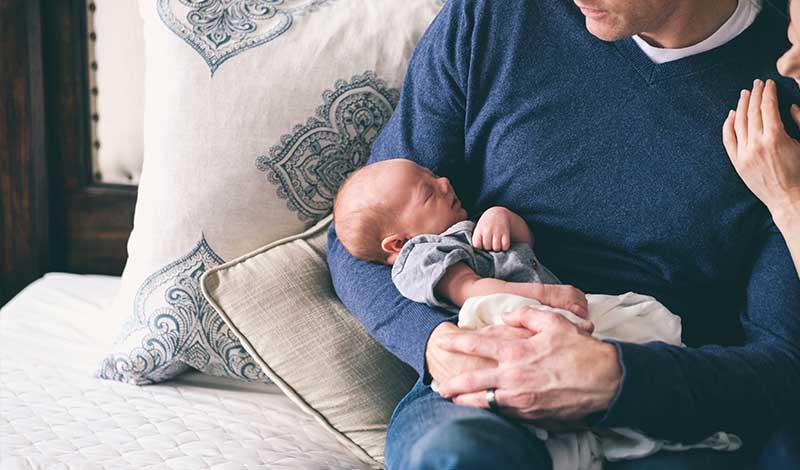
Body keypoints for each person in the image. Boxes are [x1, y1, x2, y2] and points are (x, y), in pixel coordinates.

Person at [327, 0, 800, 468]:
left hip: (662, 391)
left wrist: (616, 378)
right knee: (458, 457)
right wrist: (432, 342)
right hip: (488, 377)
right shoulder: (496, 15)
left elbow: (782, 360)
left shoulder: (785, 99)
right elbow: (362, 241)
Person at [332, 158, 742, 469]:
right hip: (499, 337)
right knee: (456, 451)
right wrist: (543, 296)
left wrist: (502, 218)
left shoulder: (465, 226)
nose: (443, 181)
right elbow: (474, 291)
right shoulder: (420, 256)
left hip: (560, 321)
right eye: (427, 192)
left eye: (434, 177)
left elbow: (523, 248)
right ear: (398, 243)